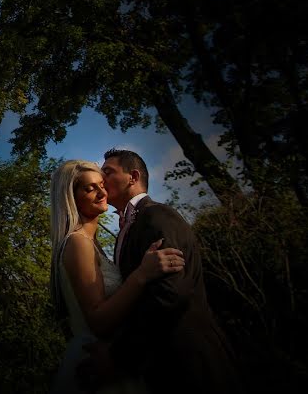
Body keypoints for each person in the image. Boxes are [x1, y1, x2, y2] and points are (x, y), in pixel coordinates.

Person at [82, 149, 242, 394]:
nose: (101, 180)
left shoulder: (157, 216)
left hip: (191, 364)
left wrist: (118, 356)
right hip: (160, 367)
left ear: (133, 177)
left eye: (108, 172)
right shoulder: (126, 229)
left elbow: (169, 296)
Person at [50, 160, 186, 393]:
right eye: (89, 188)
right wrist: (142, 274)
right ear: (71, 198)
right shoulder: (77, 243)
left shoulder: (93, 244)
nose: (102, 192)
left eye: (102, 184)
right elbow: (99, 322)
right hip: (98, 363)